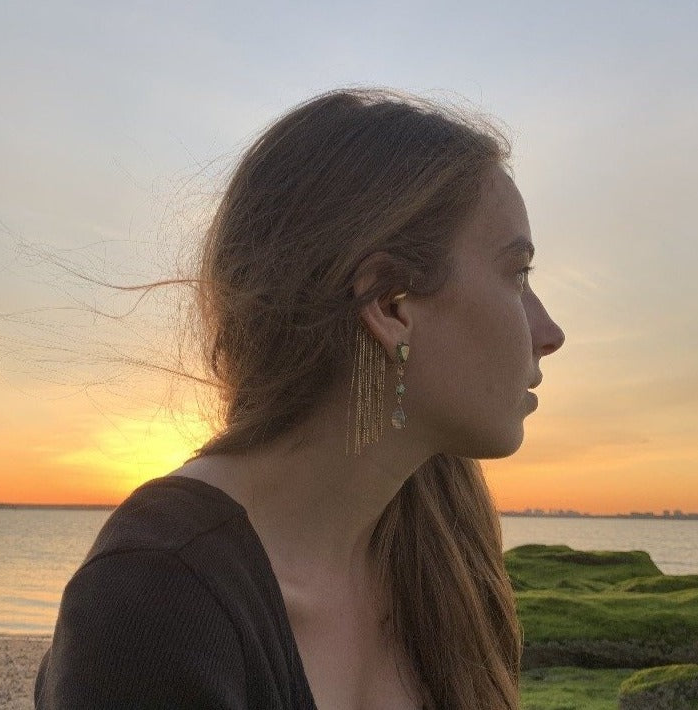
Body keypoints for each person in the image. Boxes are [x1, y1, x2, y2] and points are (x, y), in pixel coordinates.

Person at [34, 87, 565, 710]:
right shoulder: (153, 601)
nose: (549, 333)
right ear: (390, 304)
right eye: (517, 274)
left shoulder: (445, 543)